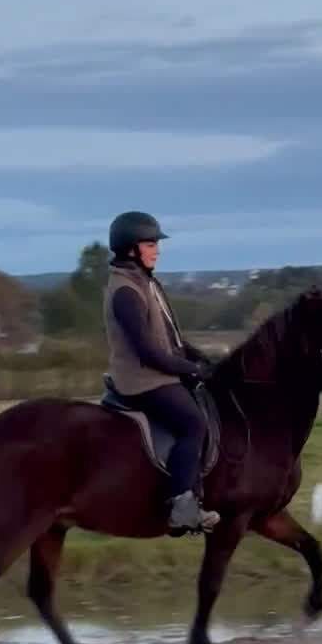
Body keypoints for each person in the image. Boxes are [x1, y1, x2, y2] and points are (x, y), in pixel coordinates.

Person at [102, 211, 220, 534]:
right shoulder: (126, 291)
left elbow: (169, 339)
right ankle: (181, 507)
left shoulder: (145, 281)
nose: (157, 250)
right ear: (131, 249)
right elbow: (147, 352)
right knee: (193, 423)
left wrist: (202, 361)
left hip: (157, 373)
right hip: (141, 379)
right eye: (151, 244)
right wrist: (189, 370)